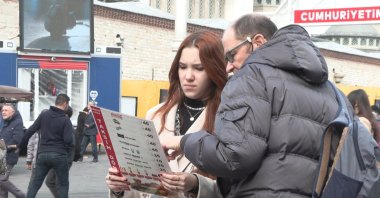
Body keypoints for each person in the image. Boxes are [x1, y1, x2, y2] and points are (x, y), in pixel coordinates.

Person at [161, 14, 342, 197]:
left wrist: (183, 141)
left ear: (258, 42)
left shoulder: (251, 77)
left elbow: (234, 156)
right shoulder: (331, 92)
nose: (229, 67)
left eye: (232, 55)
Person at [105, 30, 228, 198]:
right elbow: (143, 190)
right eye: (182, 67)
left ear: (215, 70)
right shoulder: (155, 115)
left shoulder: (228, 117)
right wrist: (120, 187)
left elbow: (234, 188)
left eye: (199, 68)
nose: (188, 76)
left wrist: (195, 184)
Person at [18, 93, 74, 198]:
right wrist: (66, 149)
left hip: (43, 154)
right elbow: (68, 140)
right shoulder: (65, 120)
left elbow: (31, 130)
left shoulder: (44, 115)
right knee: (63, 184)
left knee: (35, 184)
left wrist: (19, 145)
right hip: (59, 155)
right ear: (65, 104)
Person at [0, 103, 26, 198]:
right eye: (2, 110)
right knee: (1, 184)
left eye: (6, 110)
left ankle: (20, 195)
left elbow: (17, 141)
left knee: (2, 180)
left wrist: (3, 146)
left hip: (10, 155)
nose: (3, 112)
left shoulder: (17, 122)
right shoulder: (5, 121)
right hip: (2, 155)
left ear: (12, 112)